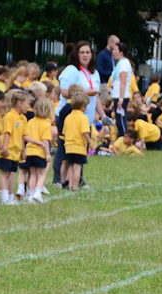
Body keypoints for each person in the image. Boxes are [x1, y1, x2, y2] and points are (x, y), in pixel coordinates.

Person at [54, 41, 102, 186]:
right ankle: (59, 179)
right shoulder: (72, 70)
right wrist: (86, 93)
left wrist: (103, 115)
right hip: (69, 115)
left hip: (86, 116)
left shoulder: (94, 73)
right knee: (65, 149)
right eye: (82, 52)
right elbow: (65, 92)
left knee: (81, 148)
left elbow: (96, 97)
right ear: (76, 54)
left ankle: (77, 179)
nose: (85, 55)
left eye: (88, 52)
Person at [0, 89, 29, 205]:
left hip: (16, 151)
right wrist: (4, 148)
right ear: (19, 103)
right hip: (8, 150)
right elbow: (7, 133)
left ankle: (10, 196)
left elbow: (22, 136)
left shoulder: (22, 118)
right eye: (27, 103)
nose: (28, 106)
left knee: (11, 174)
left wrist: (23, 150)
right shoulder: (9, 116)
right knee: (4, 173)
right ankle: (4, 197)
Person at [23, 95, 54, 202]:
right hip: (39, 152)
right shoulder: (46, 124)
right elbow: (45, 140)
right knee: (41, 174)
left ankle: (30, 193)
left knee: (33, 174)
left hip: (29, 151)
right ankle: (37, 192)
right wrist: (47, 153)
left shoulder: (30, 121)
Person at [62, 90, 90, 190]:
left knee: (71, 166)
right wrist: (90, 142)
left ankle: (69, 185)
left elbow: (64, 132)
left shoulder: (68, 117)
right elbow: (85, 132)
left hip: (68, 146)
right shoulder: (83, 118)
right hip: (79, 146)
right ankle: (75, 187)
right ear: (83, 106)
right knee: (77, 167)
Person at [109, 41, 133, 138]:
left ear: (121, 52)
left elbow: (123, 82)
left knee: (121, 120)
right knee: (119, 120)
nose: (113, 52)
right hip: (117, 95)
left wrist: (121, 99)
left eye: (115, 50)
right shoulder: (120, 63)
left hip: (121, 96)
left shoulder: (124, 64)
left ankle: (124, 138)